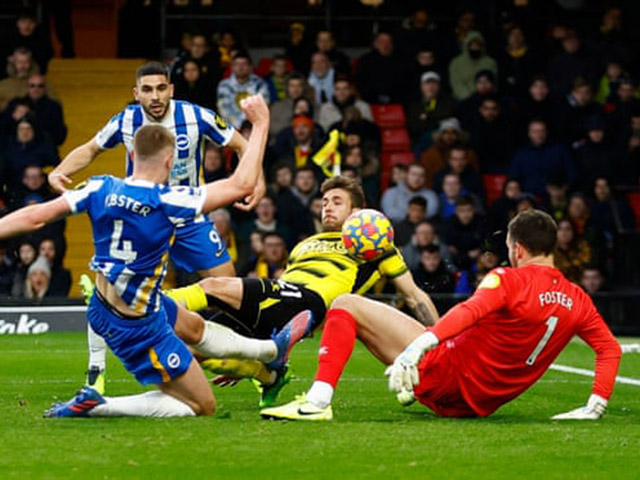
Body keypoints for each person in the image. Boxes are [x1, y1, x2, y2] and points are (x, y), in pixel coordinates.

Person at [0, 101, 311, 418]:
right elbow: (241, 184)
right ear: (169, 160)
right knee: (202, 406)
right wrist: (260, 124)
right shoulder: (168, 201)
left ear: (132, 155)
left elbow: (36, 217)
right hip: (137, 324)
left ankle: (270, 351)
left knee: (193, 327)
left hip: (107, 306)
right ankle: (99, 406)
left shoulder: (99, 187)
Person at [261, 210, 621, 421]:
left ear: (518, 248)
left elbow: (469, 311)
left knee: (345, 304)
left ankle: (317, 402)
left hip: (444, 375)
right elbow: (610, 349)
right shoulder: (578, 299)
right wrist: (595, 405)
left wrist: (415, 349)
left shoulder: (509, 279)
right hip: (478, 406)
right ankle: (410, 383)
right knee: (399, 328)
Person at [46, 62, 262, 389]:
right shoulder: (126, 120)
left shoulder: (196, 116)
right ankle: (96, 370)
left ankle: (231, 354)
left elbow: (242, 145)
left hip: (189, 216)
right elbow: (91, 148)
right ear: (136, 94)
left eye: (161, 88)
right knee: (113, 289)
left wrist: (257, 180)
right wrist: (58, 171)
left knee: (229, 287)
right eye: (147, 90)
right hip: (144, 216)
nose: (155, 96)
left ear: (171, 89)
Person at [167, 175, 439, 405]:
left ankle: (148, 305)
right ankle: (266, 374)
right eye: (324, 203)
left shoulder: (370, 243)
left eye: (336, 201)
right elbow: (280, 297)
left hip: (310, 301)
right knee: (192, 348)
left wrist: (443, 337)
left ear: (357, 212)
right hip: (284, 296)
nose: (327, 207)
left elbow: (413, 295)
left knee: (213, 287)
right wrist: (244, 347)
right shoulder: (304, 244)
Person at [509, 119, 576, 198]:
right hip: (528, 197)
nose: (539, 134)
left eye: (541, 131)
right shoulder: (521, 154)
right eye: (535, 131)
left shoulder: (559, 151)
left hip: (555, 197)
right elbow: (513, 177)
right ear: (529, 134)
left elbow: (572, 174)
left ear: (546, 132)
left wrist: (563, 189)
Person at [217, 52, 270, 128]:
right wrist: (239, 127)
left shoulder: (260, 84)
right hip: (231, 129)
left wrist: (248, 126)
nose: (240, 67)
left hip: (254, 126)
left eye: (244, 64)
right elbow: (224, 111)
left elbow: (262, 107)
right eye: (237, 64)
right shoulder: (224, 85)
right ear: (232, 67)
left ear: (250, 67)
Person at [405, 71, 455, 144]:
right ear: (421, 86)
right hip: (419, 139)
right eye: (427, 83)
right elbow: (412, 126)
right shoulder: (414, 105)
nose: (431, 87)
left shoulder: (447, 102)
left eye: (434, 83)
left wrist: (426, 117)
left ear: (439, 86)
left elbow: (445, 118)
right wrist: (431, 119)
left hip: (441, 140)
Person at [356, 32, 406, 104]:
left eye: (388, 41)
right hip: (370, 100)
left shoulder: (402, 61)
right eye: (382, 41)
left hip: (398, 101)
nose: (386, 44)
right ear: (375, 44)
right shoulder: (365, 60)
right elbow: (360, 82)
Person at [448, 31, 498, 101]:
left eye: (477, 45)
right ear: (466, 46)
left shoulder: (490, 62)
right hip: (463, 99)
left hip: (486, 99)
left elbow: (493, 84)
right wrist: (471, 99)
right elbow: (456, 85)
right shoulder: (456, 63)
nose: (475, 47)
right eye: (472, 45)